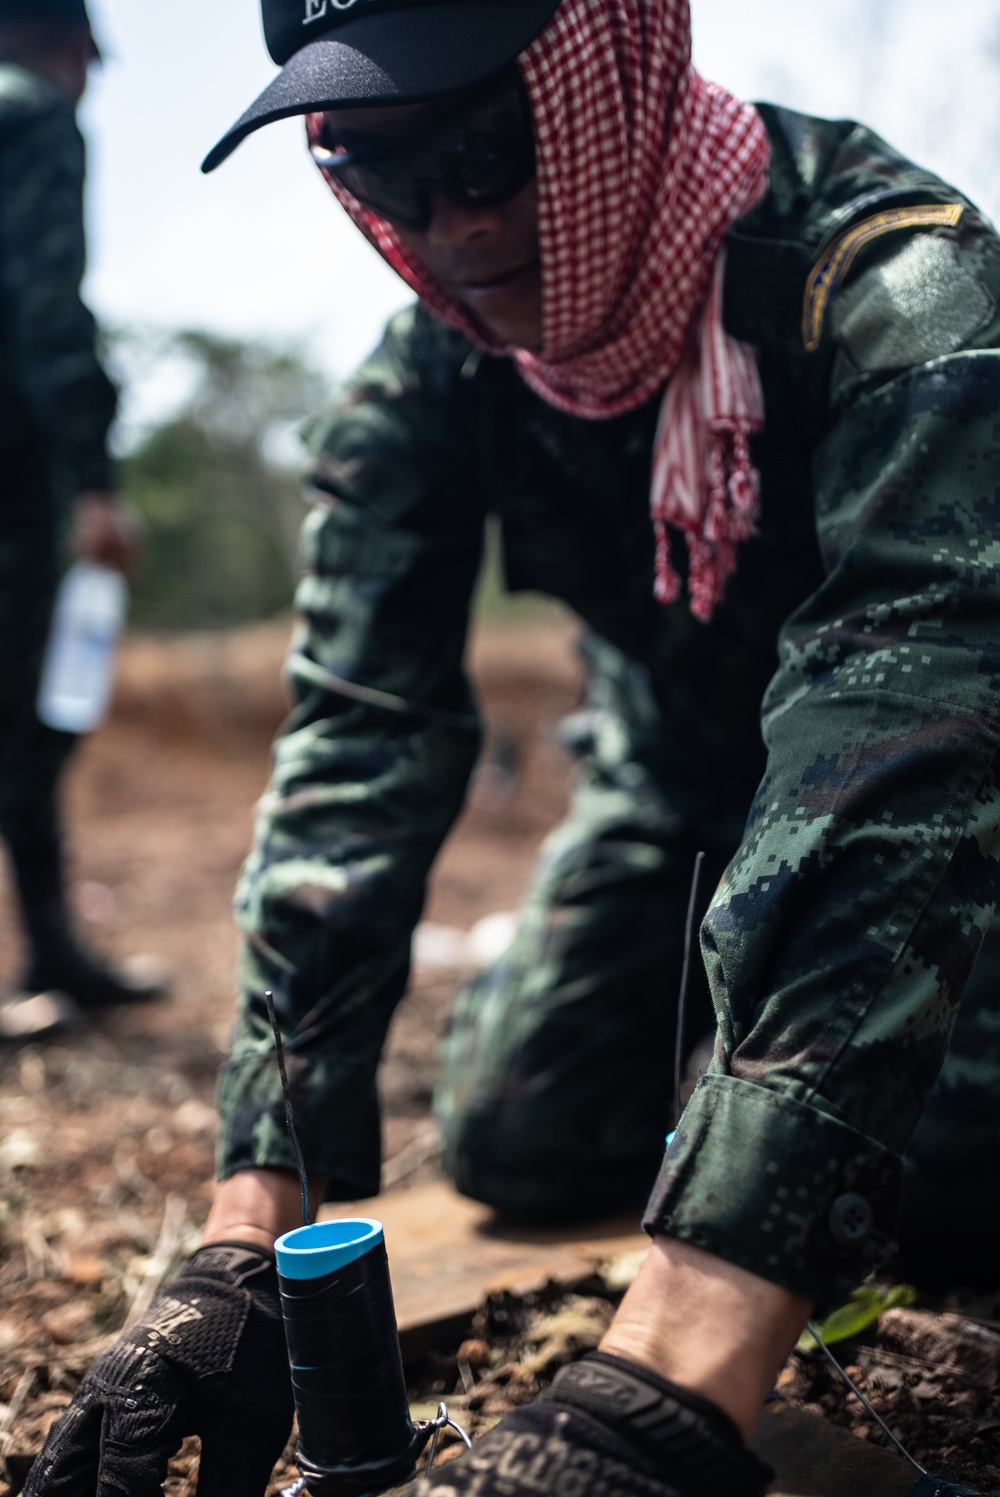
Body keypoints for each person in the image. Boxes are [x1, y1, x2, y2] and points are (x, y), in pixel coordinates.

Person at [27, 0, 1000, 1492]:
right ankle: (740, 1074)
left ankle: (769, 1097)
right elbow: (356, 754)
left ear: (619, 75)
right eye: (376, 173)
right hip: (680, 793)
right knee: (516, 1129)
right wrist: (250, 1229)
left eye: (486, 150)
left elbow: (906, 743)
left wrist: (672, 1369)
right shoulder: (428, 378)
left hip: (952, 825)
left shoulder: (896, 289)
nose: (449, 228)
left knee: (935, 1167)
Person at [0, 0, 167, 1041]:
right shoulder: (35, 121)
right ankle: (50, 945)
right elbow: (49, 309)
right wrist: (94, 481)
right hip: (10, 475)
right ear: (67, 47)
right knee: (22, 714)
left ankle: (55, 946)